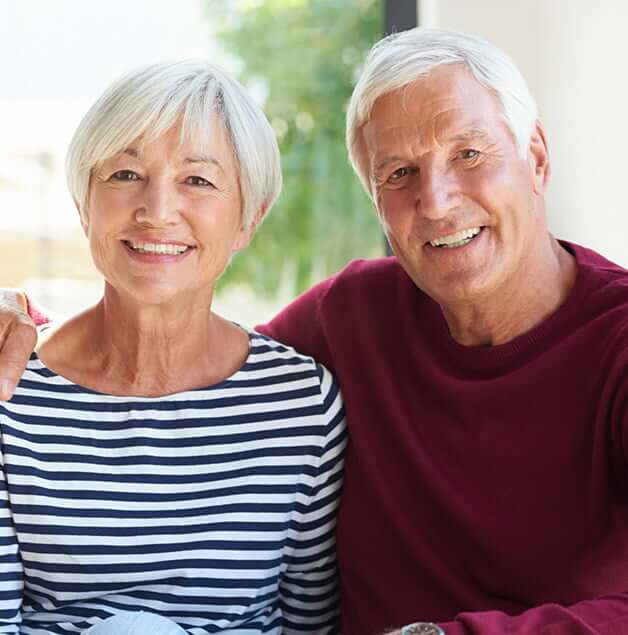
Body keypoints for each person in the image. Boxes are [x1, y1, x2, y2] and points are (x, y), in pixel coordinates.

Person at [0, 26, 627, 635]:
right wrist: (16, 323)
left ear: (536, 159)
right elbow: (181, 356)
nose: (435, 201)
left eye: (468, 153)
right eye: (398, 173)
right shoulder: (355, 315)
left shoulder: (617, 345)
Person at [0, 60, 345, 634]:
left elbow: (310, 624)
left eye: (198, 180)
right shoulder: (10, 390)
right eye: (126, 174)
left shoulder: (301, 405)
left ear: (248, 220)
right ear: (84, 203)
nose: (157, 211)